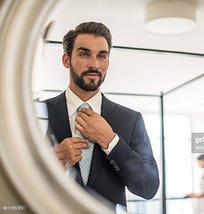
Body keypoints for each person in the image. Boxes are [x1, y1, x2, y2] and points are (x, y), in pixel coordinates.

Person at [45, 22, 159, 208]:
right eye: (84, 54)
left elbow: (148, 187)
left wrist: (111, 141)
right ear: (66, 60)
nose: (94, 64)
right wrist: (51, 159)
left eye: (102, 56)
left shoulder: (131, 120)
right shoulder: (37, 113)